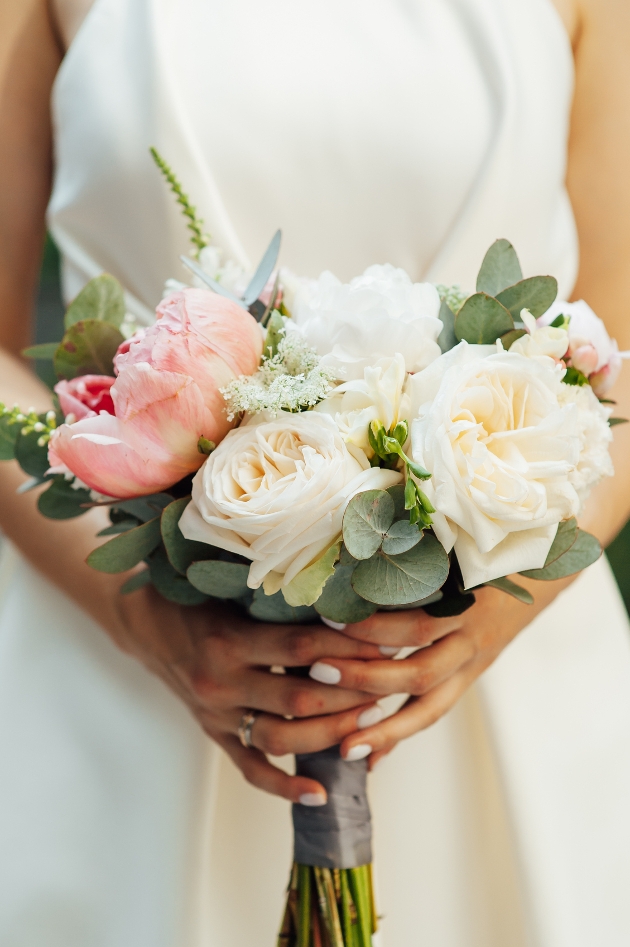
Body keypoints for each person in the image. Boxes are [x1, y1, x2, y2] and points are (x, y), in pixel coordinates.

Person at [1, 0, 630, 944]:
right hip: (125, 676)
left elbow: (620, 338)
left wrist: (495, 613)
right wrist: (139, 610)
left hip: (502, 675)